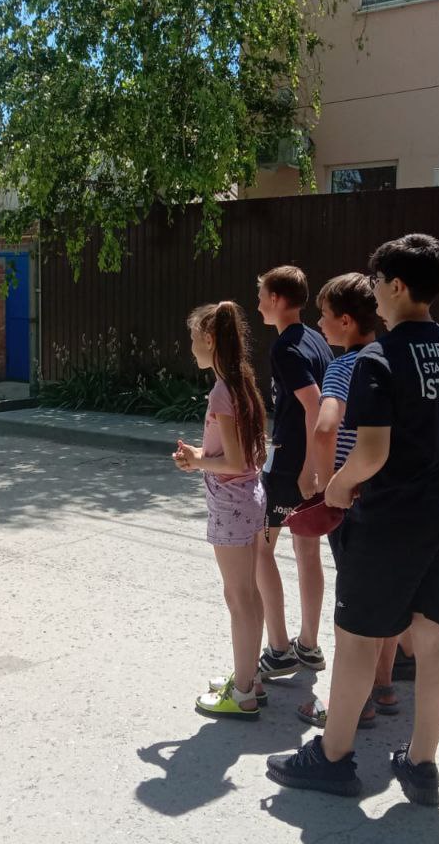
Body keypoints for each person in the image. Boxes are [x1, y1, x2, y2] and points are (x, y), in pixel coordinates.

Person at [267, 234, 439, 806]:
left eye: (379, 281)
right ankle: (422, 764)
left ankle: (333, 758)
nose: (376, 292)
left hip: (390, 516)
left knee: (357, 638)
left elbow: (372, 452)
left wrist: (336, 491)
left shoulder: (378, 360)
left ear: (398, 286)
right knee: (434, 637)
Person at [298, 272, 390, 729]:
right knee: (385, 591)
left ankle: (353, 702)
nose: (320, 324)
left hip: (353, 495)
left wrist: (325, 481)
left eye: (325, 315)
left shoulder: (343, 366)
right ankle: (383, 685)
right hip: (391, 491)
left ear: (347, 322)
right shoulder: (390, 358)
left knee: (352, 602)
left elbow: (325, 427)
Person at [174, 302, 270, 719]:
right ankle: (250, 677)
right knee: (249, 593)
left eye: (194, 339)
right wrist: (200, 454)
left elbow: (233, 461)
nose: (191, 347)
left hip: (231, 503)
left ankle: (243, 692)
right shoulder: (239, 382)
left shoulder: (221, 392)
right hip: (247, 498)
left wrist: (198, 460)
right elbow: (245, 454)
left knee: (238, 597)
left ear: (210, 340)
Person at [254, 265, 333, 679]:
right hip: (307, 462)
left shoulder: (286, 347)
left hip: (290, 466)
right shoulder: (316, 339)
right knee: (308, 553)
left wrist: (308, 469)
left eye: (261, 297)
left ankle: (279, 649)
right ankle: (309, 645)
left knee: (260, 550)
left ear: (277, 299)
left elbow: (315, 404)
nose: (258, 305)